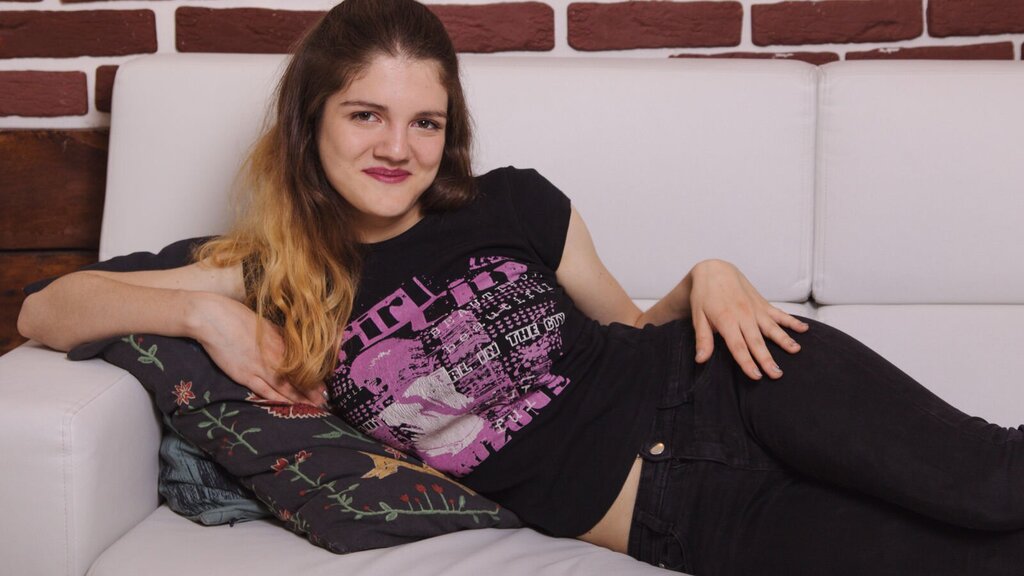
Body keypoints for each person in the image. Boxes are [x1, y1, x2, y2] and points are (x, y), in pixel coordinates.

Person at [17, 0, 1024, 574]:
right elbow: (46, 309)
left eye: (424, 122)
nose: (397, 147)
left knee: (991, 486)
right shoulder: (267, 268)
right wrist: (200, 310)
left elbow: (633, 326)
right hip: (674, 514)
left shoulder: (515, 203)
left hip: (744, 379)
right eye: (365, 115)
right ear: (309, 123)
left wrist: (706, 276)